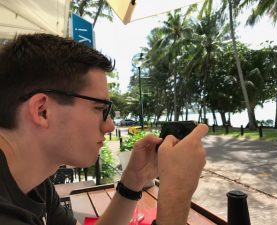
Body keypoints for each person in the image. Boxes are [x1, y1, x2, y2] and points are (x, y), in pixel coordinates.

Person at [0, 33, 208, 225]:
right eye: (100, 108)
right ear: (43, 111)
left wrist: (133, 180)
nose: (110, 126)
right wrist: (176, 196)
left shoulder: (34, 184)